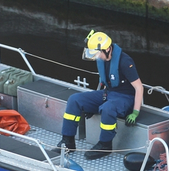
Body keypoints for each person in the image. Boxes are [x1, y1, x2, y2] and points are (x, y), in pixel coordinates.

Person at [56, 30, 143, 160]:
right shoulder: (102, 58)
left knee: (108, 108)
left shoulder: (125, 62)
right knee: (74, 100)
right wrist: (92, 105)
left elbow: (139, 87)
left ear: (107, 49)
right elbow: (103, 82)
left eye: (97, 52)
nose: (96, 56)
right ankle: (68, 141)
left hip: (125, 97)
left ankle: (105, 145)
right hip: (108, 93)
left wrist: (135, 112)